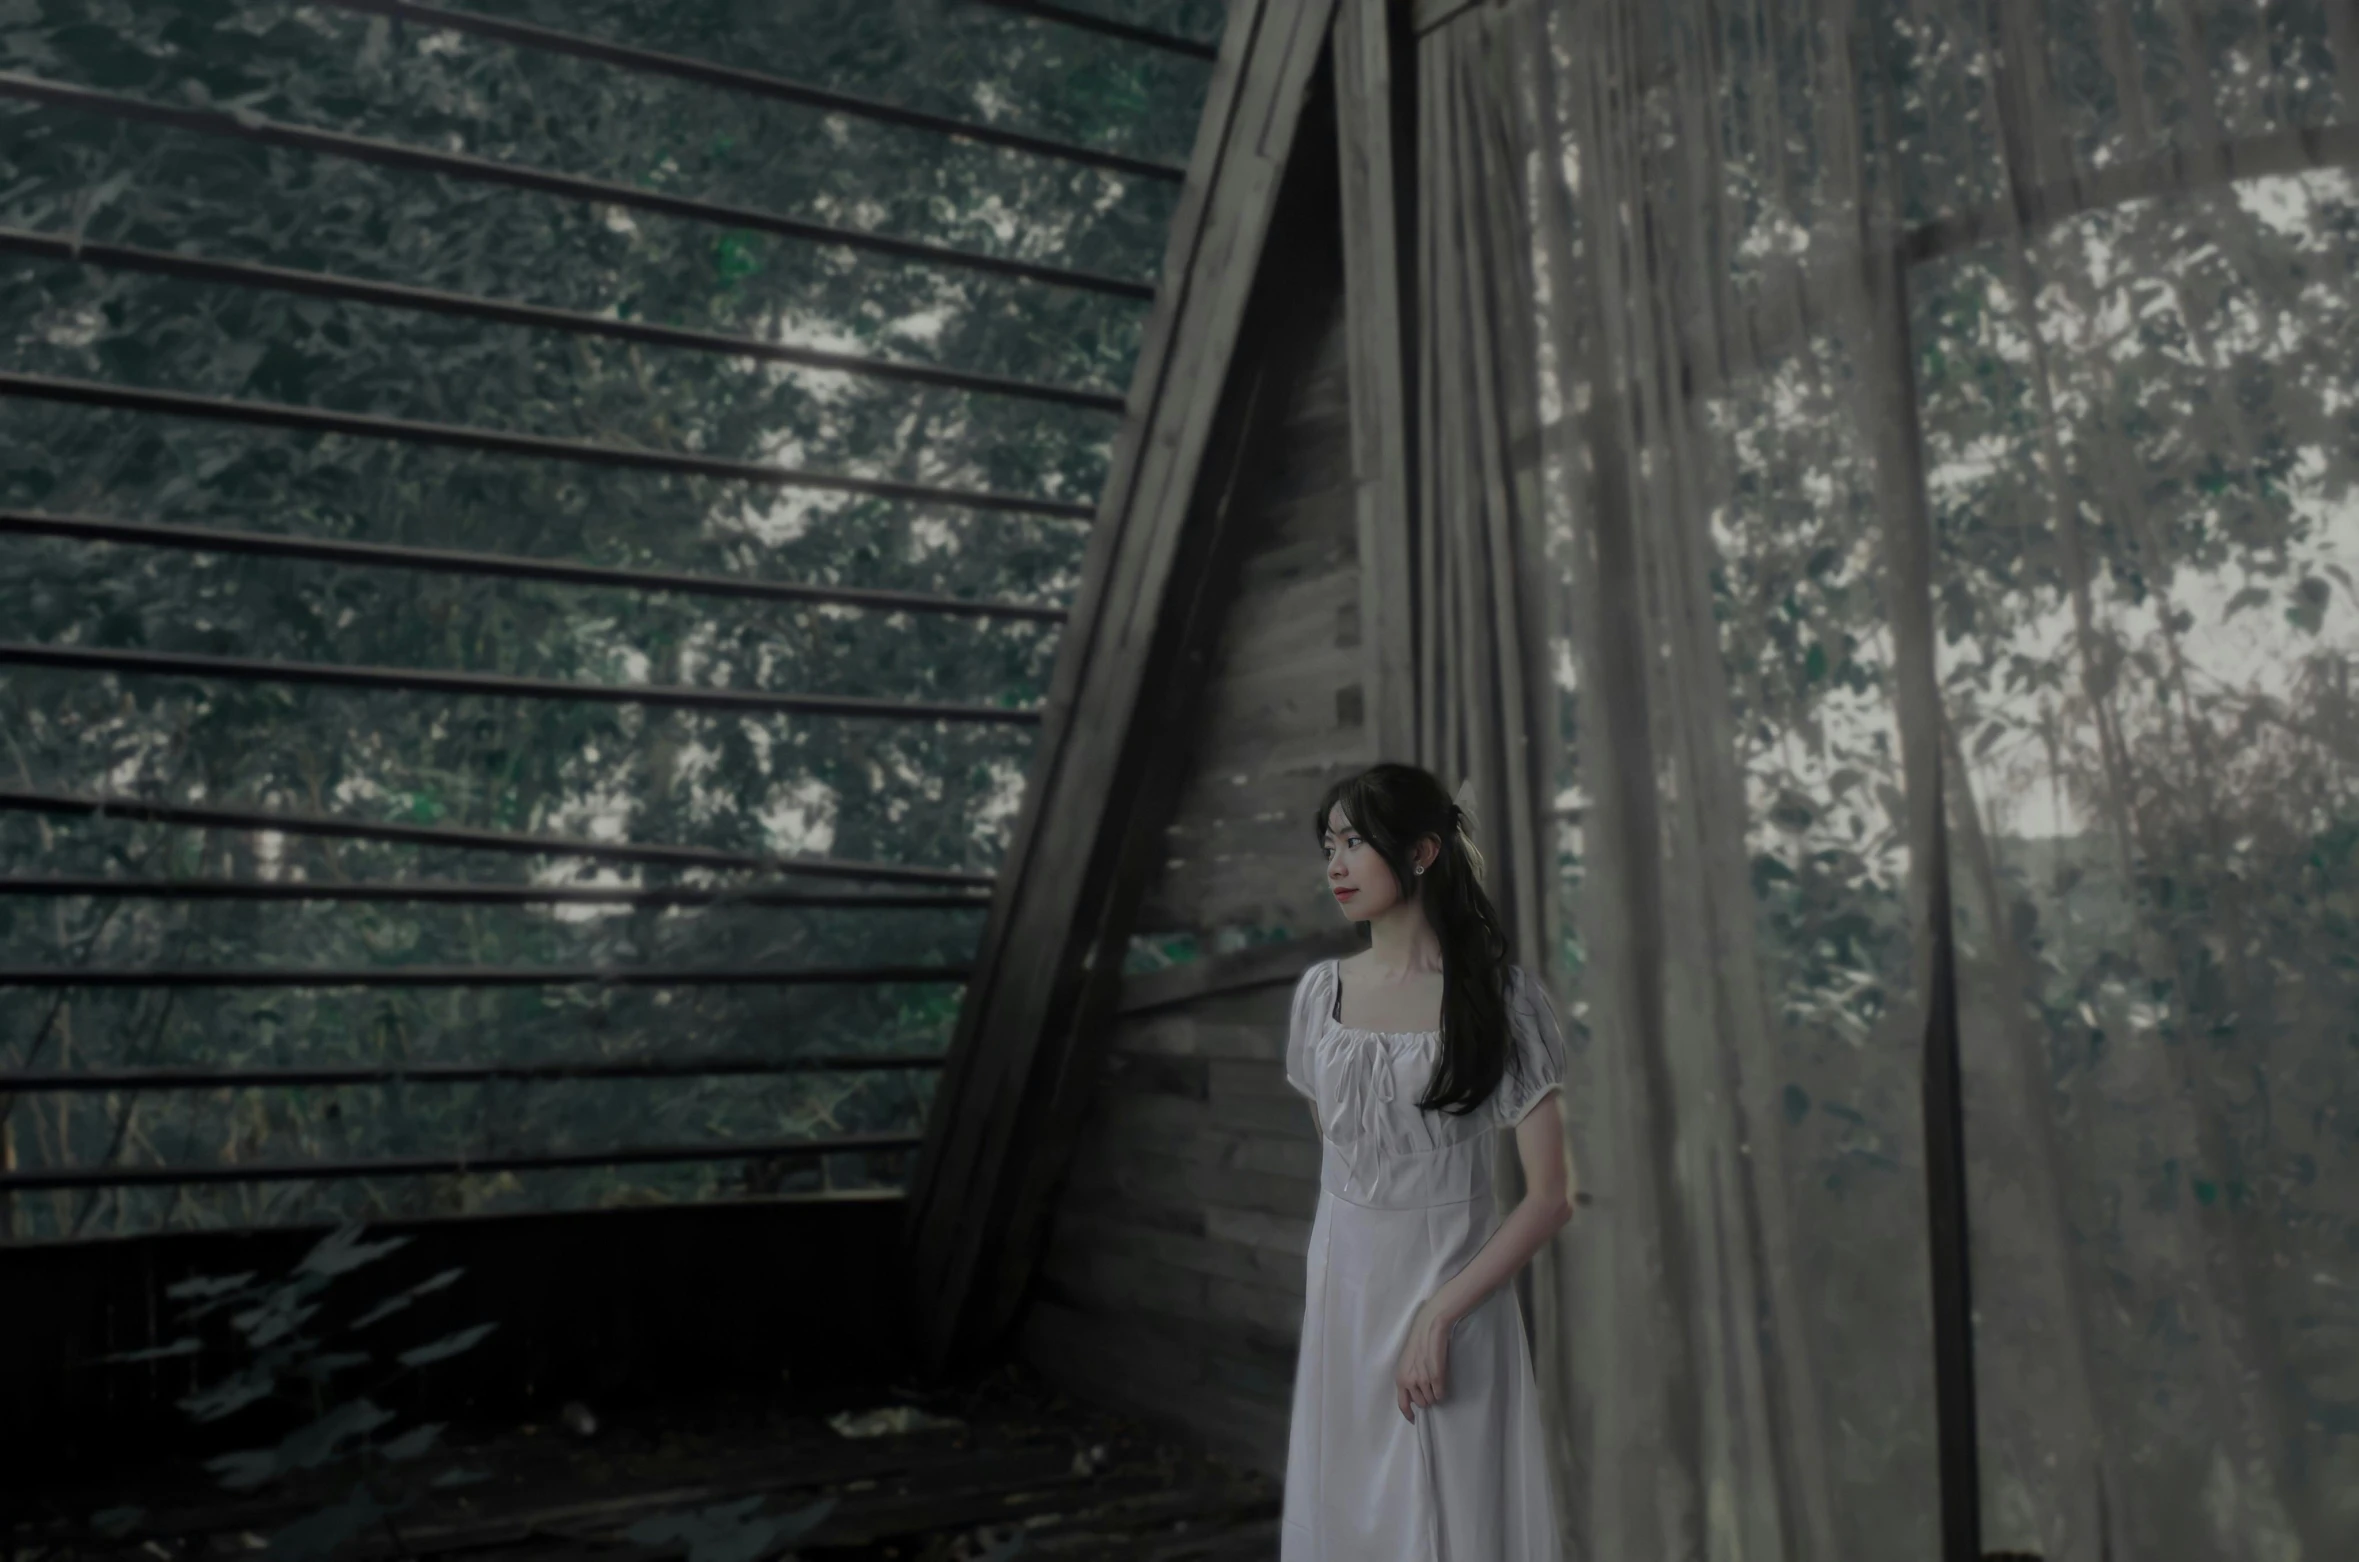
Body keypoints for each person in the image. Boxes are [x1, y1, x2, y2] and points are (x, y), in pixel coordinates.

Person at [1281, 761, 1573, 1561]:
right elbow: (1346, 1163)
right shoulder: (1319, 997)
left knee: (1454, 1521)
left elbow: (1550, 1197)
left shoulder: (1499, 998)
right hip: (1345, 1294)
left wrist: (1442, 1312)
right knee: (1347, 1519)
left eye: (1355, 842)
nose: (1335, 864)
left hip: (1453, 1289)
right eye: (1328, 844)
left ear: (1421, 853)